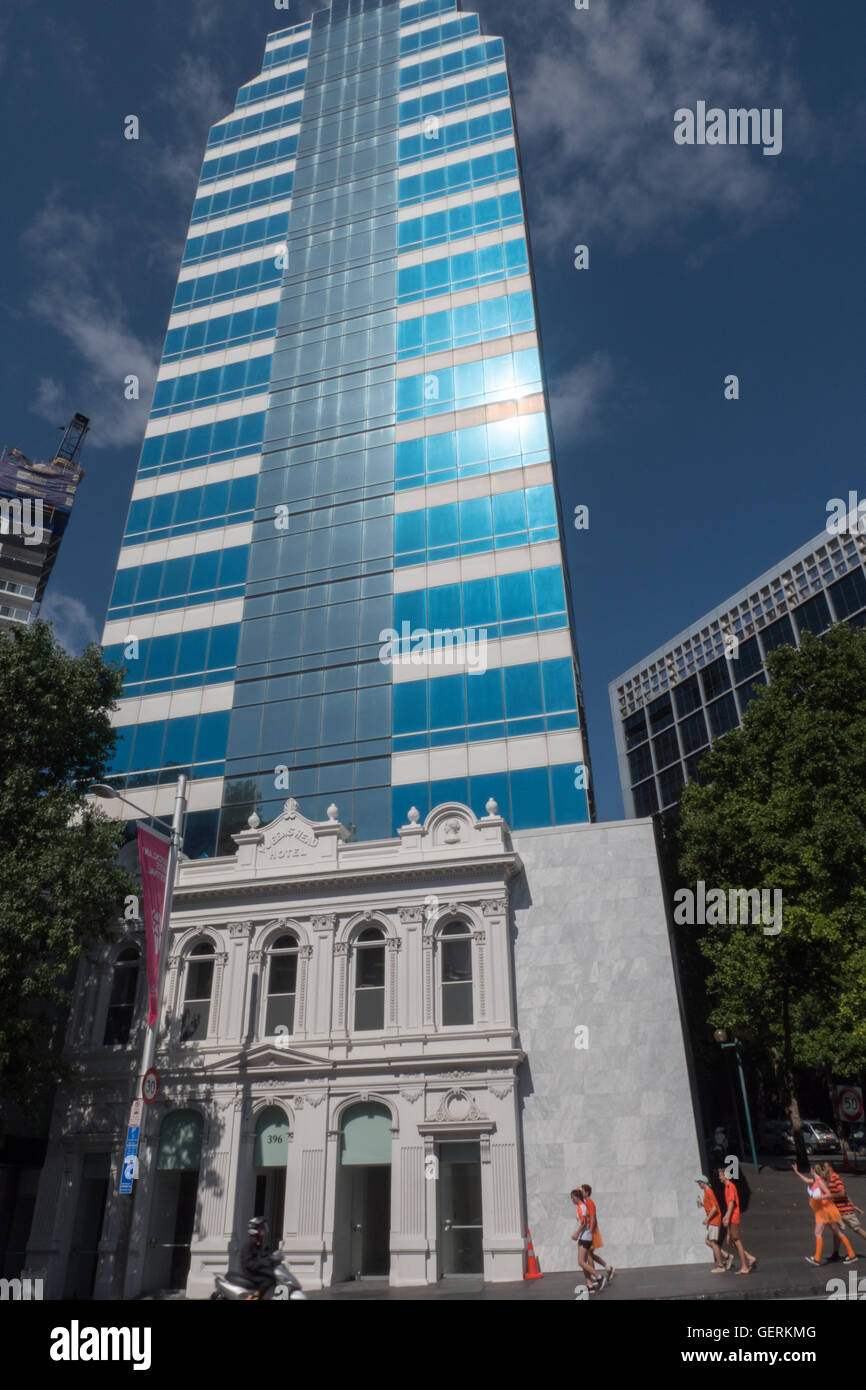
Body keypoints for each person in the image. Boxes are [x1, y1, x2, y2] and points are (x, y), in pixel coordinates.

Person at [791, 1164, 857, 1266]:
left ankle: (817, 1258)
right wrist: (797, 1172)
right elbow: (806, 1180)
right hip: (823, 1210)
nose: (810, 1172)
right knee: (837, 1232)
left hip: (825, 1211)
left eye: (810, 1170)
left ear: (813, 1171)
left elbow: (829, 1194)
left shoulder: (820, 1182)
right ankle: (852, 1255)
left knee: (818, 1233)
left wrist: (819, 1198)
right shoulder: (815, 1181)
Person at [820, 1163, 866, 1252]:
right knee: (836, 1231)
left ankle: (843, 1254)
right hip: (838, 1211)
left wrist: (829, 1196)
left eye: (824, 1167)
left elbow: (842, 1193)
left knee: (857, 1229)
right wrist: (854, 1206)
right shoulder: (831, 1179)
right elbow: (846, 1195)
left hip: (845, 1211)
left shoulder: (836, 1178)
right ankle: (835, 1254)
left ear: (830, 1168)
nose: (823, 1169)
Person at [719, 1166, 756, 1274]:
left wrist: (726, 1217)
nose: (719, 1178)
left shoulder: (731, 1187)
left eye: (720, 1175)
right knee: (730, 1240)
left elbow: (731, 1204)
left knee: (736, 1240)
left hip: (733, 1217)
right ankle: (749, 1257)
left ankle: (744, 1266)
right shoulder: (727, 1187)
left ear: (725, 1176)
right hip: (731, 1217)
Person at [580, 1185, 614, 1286]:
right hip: (590, 1231)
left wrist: (590, 1231)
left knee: (589, 1254)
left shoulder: (590, 1203)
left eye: (582, 1191)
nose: (581, 1193)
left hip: (592, 1231)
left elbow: (593, 1217)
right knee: (590, 1254)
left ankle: (597, 1277)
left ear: (586, 1193)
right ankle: (607, 1268)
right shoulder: (587, 1203)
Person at [696, 1175, 731, 1272]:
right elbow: (711, 1205)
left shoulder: (709, 1192)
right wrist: (702, 1204)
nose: (699, 1185)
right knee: (708, 1241)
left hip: (714, 1221)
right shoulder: (706, 1192)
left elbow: (715, 1208)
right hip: (712, 1221)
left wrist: (707, 1218)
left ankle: (720, 1266)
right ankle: (726, 1256)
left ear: (704, 1183)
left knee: (713, 1242)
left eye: (699, 1183)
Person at [570, 1188, 602, 1292]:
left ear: (577, 1197)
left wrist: (576, 1232)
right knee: (583, 1262)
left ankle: (599, 1277)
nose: (571, 1200)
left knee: (581, 1262)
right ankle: (589, 1284)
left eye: (572, 1197)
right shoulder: (582, 1206)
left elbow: (583, 1223)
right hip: (584, 1236)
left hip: (584, 1237)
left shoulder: (581, 1207)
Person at [240, 1216, 276, 1300]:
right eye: (261, 1228)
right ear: (255, 1229)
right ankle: (254, 1297)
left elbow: (261, 1255)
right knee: (269, 1279)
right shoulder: (250, 1242)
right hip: (250, 1271)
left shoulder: (257, 1241)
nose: (263, 1230)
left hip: (255, 1269)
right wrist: (263, 1263)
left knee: (273, 1275)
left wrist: (271, 1257)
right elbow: (248, 1262)